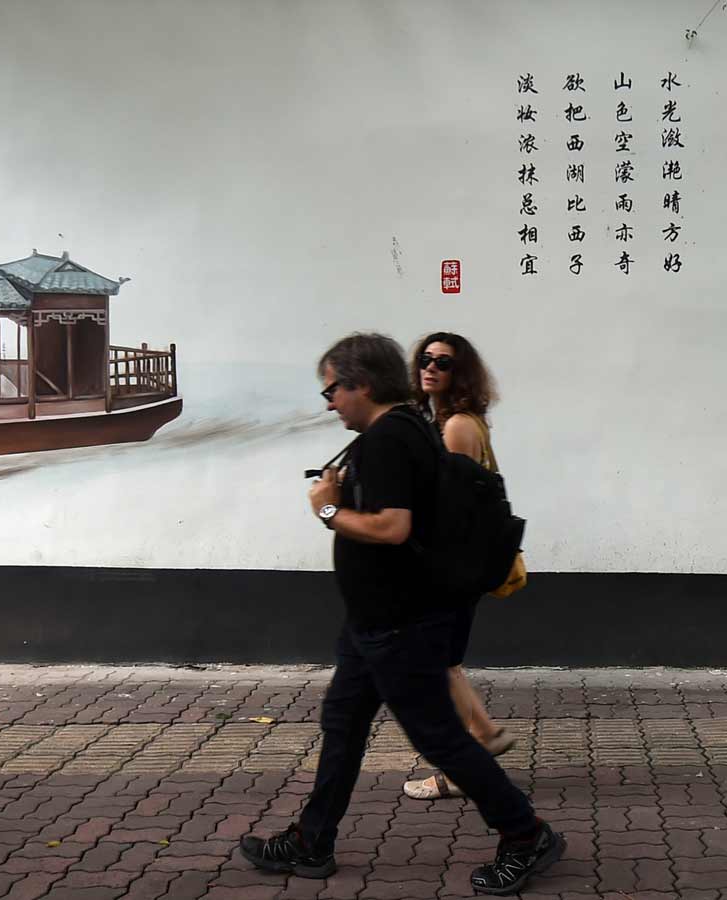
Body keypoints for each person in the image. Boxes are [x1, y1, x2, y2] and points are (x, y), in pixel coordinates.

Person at [239, 332, 563, 895]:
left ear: (362, 384)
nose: (329, 403)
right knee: (343, 725)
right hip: (374, 622)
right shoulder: (409, 426)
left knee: (438, 738)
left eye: (332, 390)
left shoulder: (390, 438)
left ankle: (525, 833)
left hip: (400, 622)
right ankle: (312, 840)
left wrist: (328, 509)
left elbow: (393, 527)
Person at [403, 331, 513, 801]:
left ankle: (462, 766)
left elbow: (449, 506)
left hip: (452, 567)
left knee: (438, 667)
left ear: (459, 373)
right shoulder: (455, 421)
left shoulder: (456, 427)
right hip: (458, 565)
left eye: (443, 363)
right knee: (445, 664)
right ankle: (485, 736)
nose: (430, 367)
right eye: (425, 359)